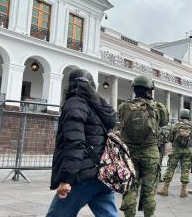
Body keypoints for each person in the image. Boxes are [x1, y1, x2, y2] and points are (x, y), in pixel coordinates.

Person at [47, 69, 118, 217]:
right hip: (103, 173)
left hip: (83, 176)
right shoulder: (99, 106)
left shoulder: (74, 104)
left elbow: (75, 143)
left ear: (71, 85)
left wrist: (66, 179)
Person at [118, 75, 169, 217]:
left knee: (130, 188)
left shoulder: (124, 106)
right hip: (151, 153)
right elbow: (164, 122)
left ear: (134, 89)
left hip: (130, 154)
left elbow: (120, 120)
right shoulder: (158, 107)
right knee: (149, 191)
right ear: (150, 90)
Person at [157, 109, 192, 198]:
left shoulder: (176, 125)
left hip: (176, 150)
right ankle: (183, 191)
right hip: (187, 151)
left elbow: (170, 137)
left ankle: (165, 189)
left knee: (171, 168)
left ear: (181, 116)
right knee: (185, 170)